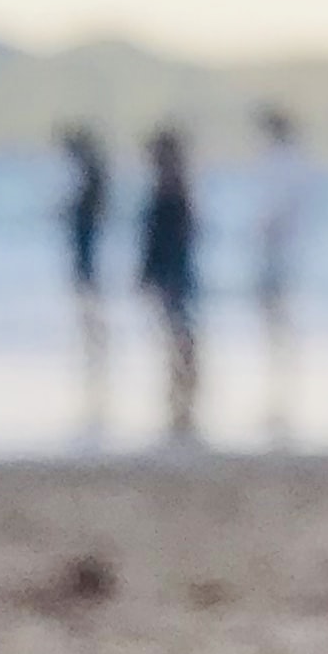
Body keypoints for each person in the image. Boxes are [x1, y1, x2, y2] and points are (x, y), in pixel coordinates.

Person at [247, 102, 309, 445]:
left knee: (276, 316)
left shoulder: (283, 163)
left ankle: (280, 379)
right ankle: (279, 378)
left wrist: (266, 230)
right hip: (281, 249)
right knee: (276, 316)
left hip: (278, 250)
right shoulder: (293, 162)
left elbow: (277, 209)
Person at [136, 124, 200, 446]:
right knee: (179, 328)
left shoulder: (169, 188)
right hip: (176, 268)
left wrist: (149, 270)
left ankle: (183, 380)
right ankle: (183, 380)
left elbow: (160, 238)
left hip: (171, 269)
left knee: (177, 328)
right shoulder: (180, 186)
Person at [58, 124, 111, 444]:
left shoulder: (87, 175)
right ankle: (93, 349)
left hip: (85, 249)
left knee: (88, 300)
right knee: (89, 300)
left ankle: (94, 350)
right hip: (87, 248)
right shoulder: (94, 174)